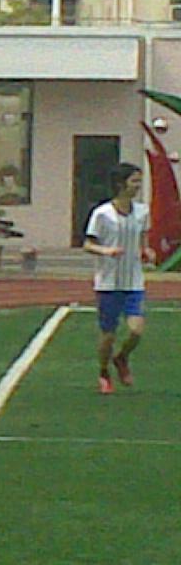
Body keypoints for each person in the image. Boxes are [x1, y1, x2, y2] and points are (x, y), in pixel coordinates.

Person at [85, 162, 154, 394]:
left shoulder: (142, 212)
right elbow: (88, 244)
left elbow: (143, 240)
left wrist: (146, 251)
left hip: (133, 282)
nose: (137, 186)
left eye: (139, 181)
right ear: (120, 184)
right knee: (108, 334)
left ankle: (121, 358)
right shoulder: (102, 214)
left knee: (136, 330)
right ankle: (104, 372)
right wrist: (107, 251)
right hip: (108, 283)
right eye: (134, 181)